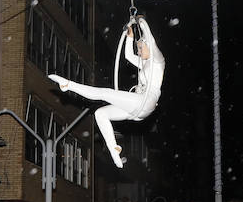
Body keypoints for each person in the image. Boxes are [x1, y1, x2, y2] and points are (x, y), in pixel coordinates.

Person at [50, 14, 164, 168]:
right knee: (100, 113)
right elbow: (128, 55)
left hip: (146, 101)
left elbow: (149, 37)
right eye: (138, 48)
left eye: (140, 48)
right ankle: (114, 150)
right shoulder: (144, 64)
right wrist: (129, 37)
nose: (138, 52)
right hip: (139, 106)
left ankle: (68, 85)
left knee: (105, 93)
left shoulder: (158, 61)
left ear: (148, 45)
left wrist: (141, 22)